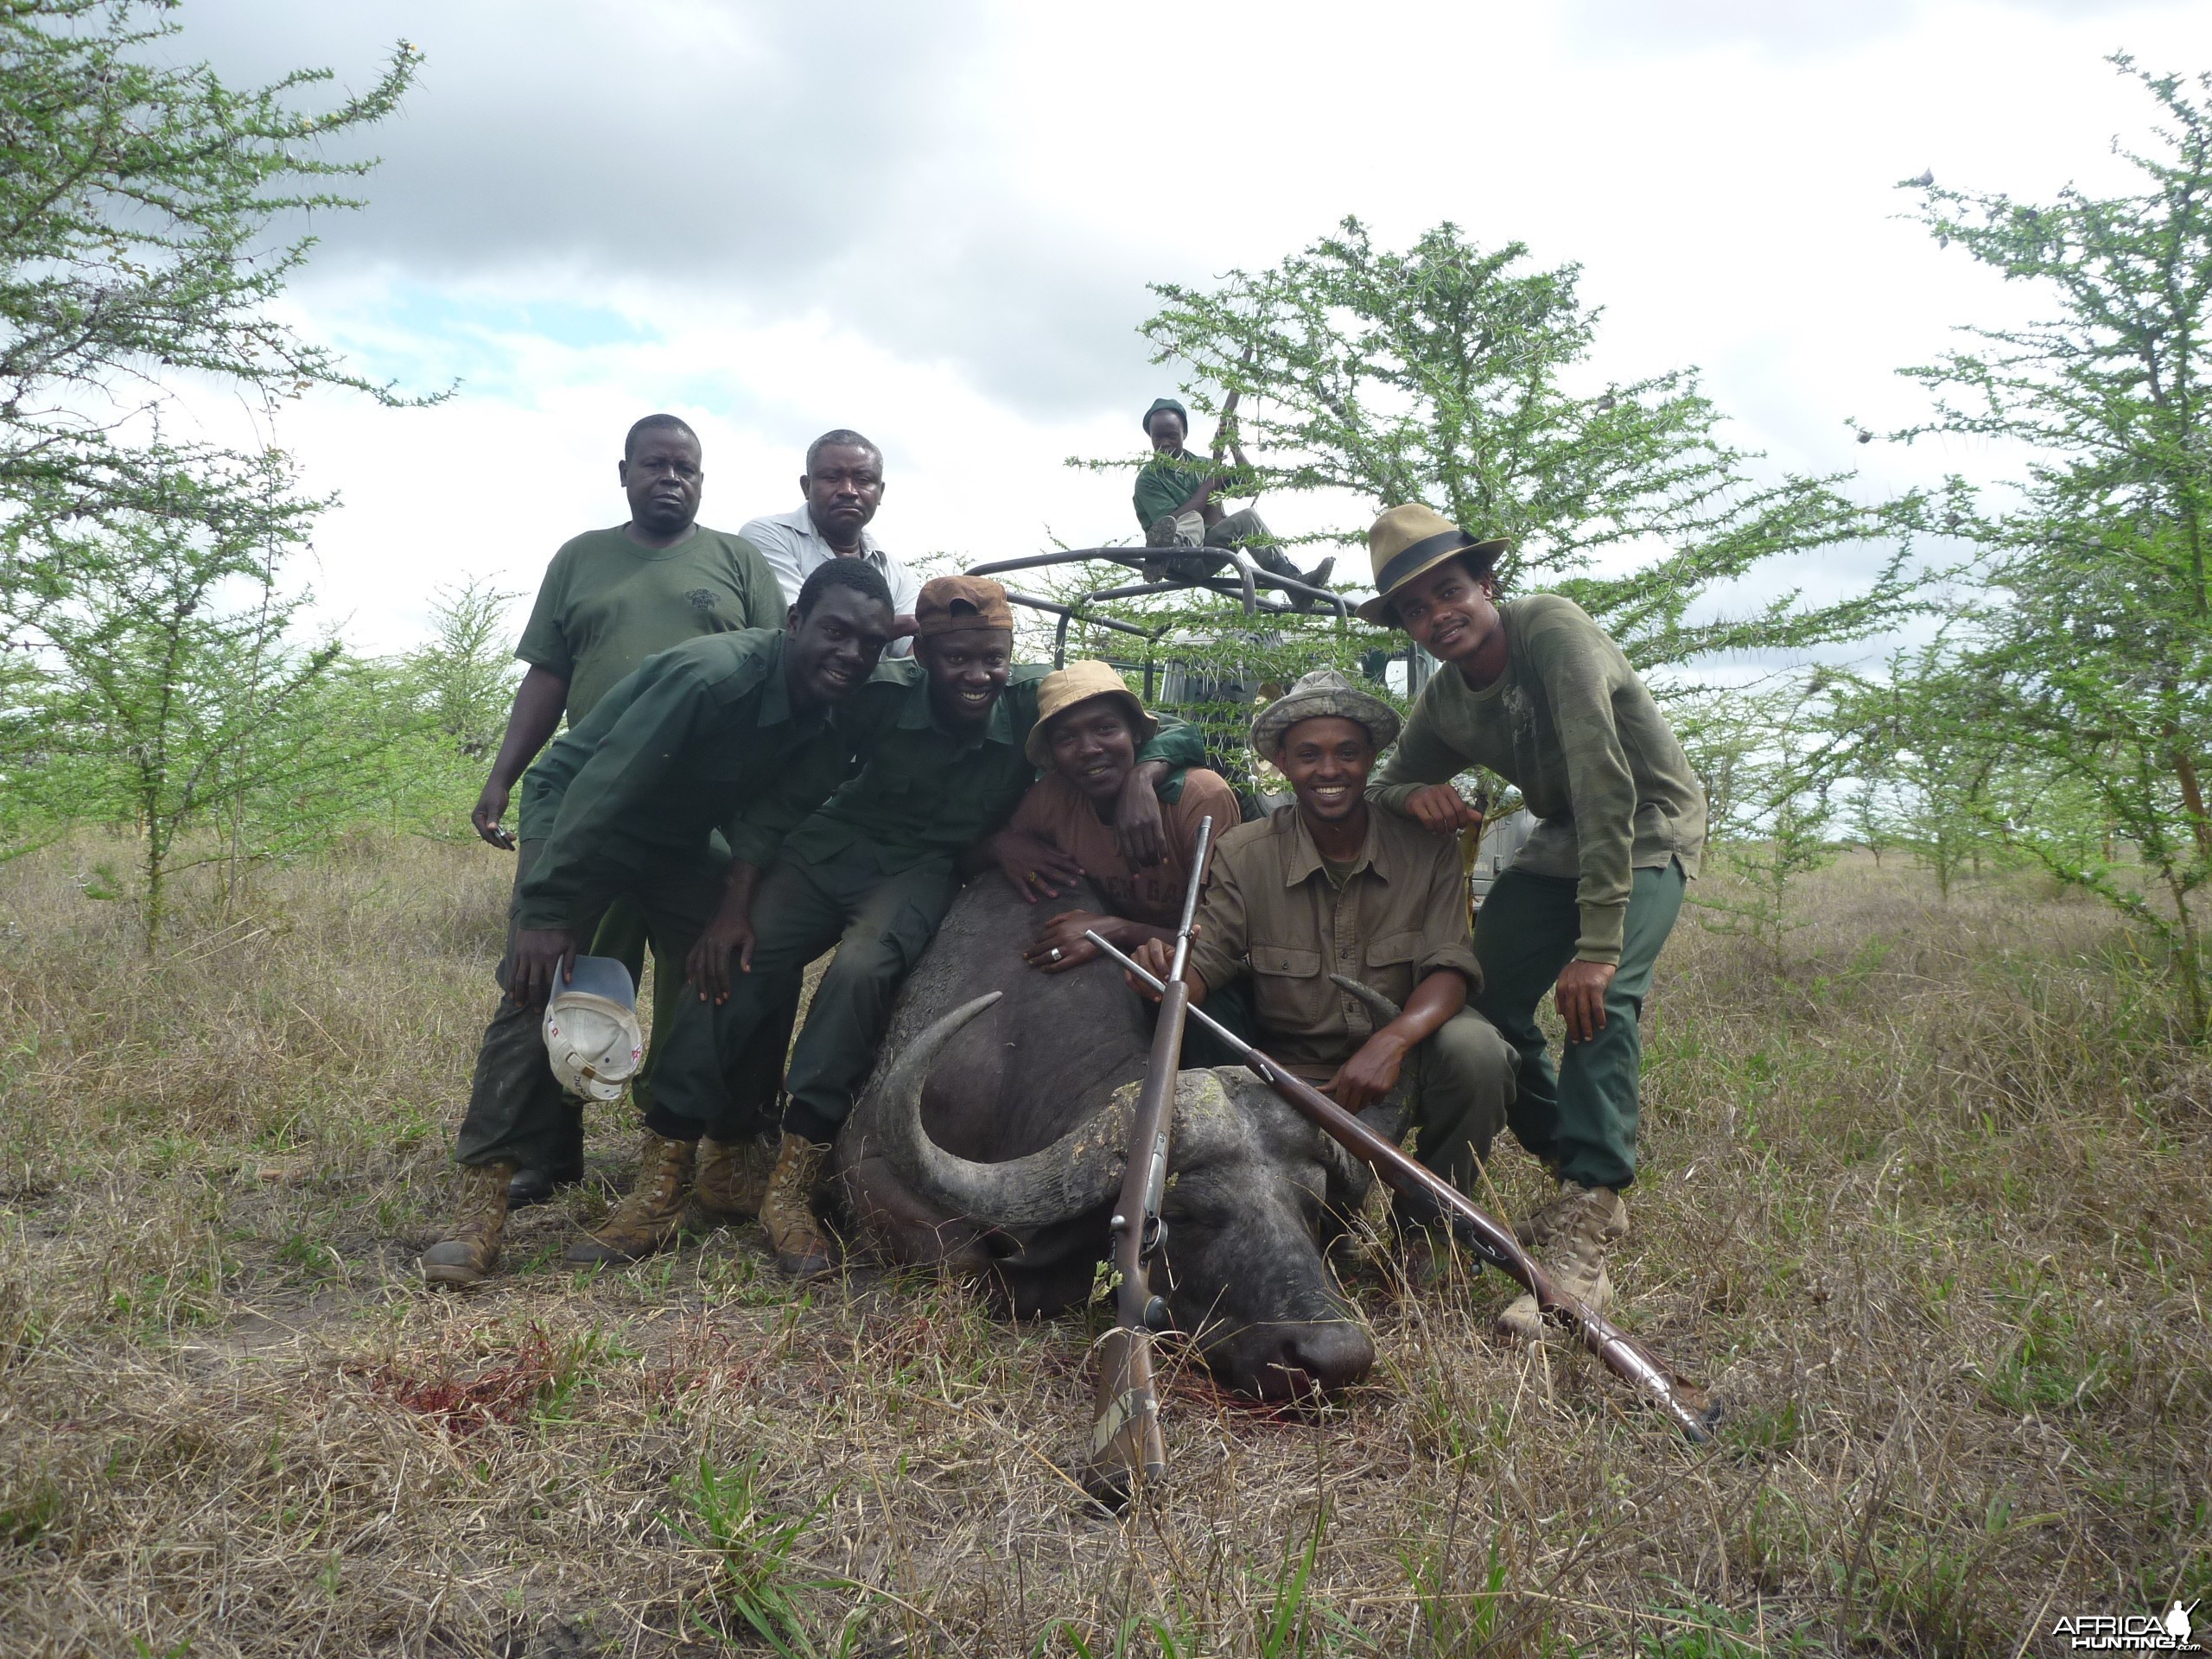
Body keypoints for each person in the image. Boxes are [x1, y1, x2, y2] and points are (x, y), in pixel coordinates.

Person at [621, 576, 1209, 1279]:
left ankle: (794, 1184)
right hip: (827, 853)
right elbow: (788, 790)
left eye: (992, 657)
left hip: (917, 871)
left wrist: (1147, 775)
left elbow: (1169, 726)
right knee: (732, 965)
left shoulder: (1027, 697)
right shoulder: (879, 693)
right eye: (957, 658)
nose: (977, 674)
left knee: (864, 971)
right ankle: (663, 1172)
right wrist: (733, 903)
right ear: (923, 653)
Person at [420, 560, 902, 1287]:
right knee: (537, 978)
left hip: (677, 837)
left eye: (869, 642)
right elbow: (605, 784)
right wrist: (549, 910)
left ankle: (722, 1157)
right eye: (835, 632)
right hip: (582, 809)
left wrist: (734, 908)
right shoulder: (713, 676)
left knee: (747, 962)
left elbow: (770, 815)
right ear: (795, 622)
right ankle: (480, 1201)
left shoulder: (836, 709)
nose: (852, 654)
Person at [1356, 503, 1707, 1340]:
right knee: (1479, 1000)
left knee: (1601, 997)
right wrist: (1419, 793)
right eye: (1415, 609)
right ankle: (1571, 1162)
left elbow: (1604, 781)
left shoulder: (1552, 629)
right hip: (1561, 837)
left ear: (1487, 583)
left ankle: (1587, 1222)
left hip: (1647, 820)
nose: (1438, 617)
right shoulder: (1448, 700)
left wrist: (1592, 948)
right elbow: (1385, 784)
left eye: (1450, 592)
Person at [464, 413, 787, 1210]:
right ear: (625, 473)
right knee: (567, 970)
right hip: (592, 805)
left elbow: (778, 669)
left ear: (703, 480)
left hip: (698, 814)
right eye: (655, 465)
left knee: (703, 970)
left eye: (686, 467)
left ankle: (672, 1142)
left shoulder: (737, 561)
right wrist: (503, 775)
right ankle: (548, 1143)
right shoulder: (581, 559)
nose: (670, 478)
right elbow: (546, 675)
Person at [1130, 670, 1519, 1249]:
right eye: (1309, 755)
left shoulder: (1427, 845)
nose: (1330, 771)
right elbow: (1207, 961)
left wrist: (1391, 1042)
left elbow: (1448, 967)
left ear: (1372, 759)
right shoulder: (1243, 852)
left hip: (1406, 1058)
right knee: (1308, 1236)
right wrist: (1168, 973)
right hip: (1294, 1080)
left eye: (1348, 753)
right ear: (1282, 763)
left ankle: (1428, 1237)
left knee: (1479, 1053)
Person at [982, 659, 1242, 976]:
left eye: (1105, 728)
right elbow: (974, 861)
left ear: (1134, 731)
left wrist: (1115, 931)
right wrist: (1002, 845)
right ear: (1052, 753)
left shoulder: (1199, 798)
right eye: (1067, 739)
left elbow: (1225, 946)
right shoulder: (1052, 798)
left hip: (1198, 972)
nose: (1089, 749)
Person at [1133, 397, 1334, 602]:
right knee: (1191, 518)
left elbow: (1249, 484)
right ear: (1150, 437)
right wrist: (1210, 484)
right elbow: (1167, 521)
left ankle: (1294, 584)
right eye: (1157, 437)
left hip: (1207, 552)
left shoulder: (1201, 466)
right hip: (1176, 561)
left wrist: (1233, 444)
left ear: (1184, 433)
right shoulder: (1148, 478)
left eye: (1172, 436)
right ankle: (1170, 548)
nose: (1164, 442)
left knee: (1247, 516)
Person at [740, 429, 921, 656]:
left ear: (880, 492)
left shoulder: (897, 573)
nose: (848, 491)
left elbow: (913, 651)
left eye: (863, 480)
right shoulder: (768, 536)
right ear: (807, 487)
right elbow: (807, 625)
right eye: (832, 478)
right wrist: (898, 626)